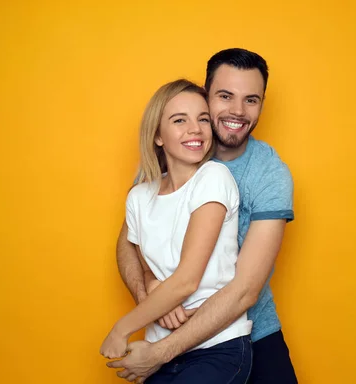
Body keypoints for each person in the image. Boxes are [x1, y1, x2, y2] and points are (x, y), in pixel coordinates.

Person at [109, 48, 298, 384]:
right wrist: (150, 293)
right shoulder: (169, 160)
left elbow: (244, 290)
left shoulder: (268, 174)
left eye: (251, 100)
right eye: (225, 96)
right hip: (169, 335)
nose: (238, 111)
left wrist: (161, 350)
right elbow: (130, 243)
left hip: (244, 336)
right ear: (205, 95)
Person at [100, 79, 253, 383]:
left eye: (203, 119)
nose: (195, 129)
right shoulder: (139, 197)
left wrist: (122, 328)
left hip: (216, 348)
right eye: (179, 120)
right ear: (157, 135)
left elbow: (186, 280)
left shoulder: (213, 177)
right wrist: (153, 288)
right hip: (156, 352)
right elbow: (145, 261)